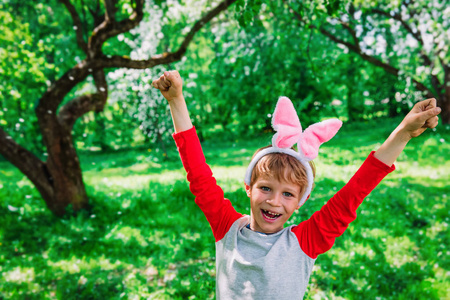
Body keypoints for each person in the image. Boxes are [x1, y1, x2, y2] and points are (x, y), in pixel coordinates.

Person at [152, 70, 441, 299]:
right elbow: (198, 174)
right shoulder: (227, 227)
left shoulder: (306, 240)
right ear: (248, 188)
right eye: (266, 188)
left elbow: (355, 191)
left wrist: (402, 133)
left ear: (301, 200)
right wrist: (176, 100)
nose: (275, 201)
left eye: (288, 194)